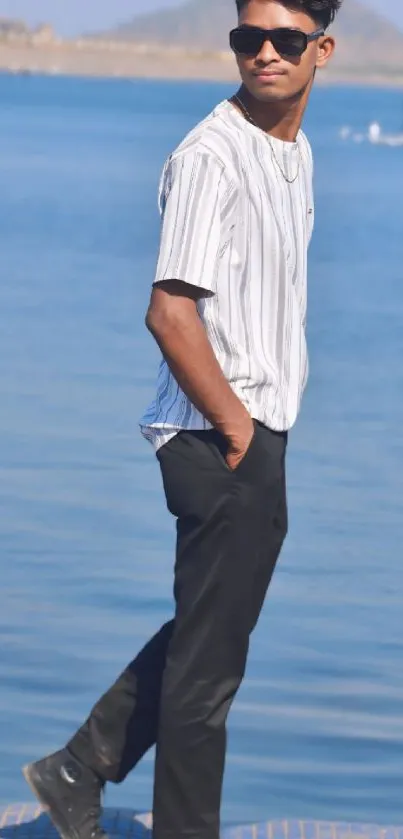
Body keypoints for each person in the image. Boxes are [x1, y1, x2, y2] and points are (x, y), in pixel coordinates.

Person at [23, 1, 341, 838]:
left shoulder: (292, 151)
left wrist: (256, 426)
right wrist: (235, 426)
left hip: (255, 427)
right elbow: (170, 313)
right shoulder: (210, 158)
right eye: (248, 38)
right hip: (216, 433)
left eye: (285, 39)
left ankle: (77, 765)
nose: (265, 53)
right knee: (208, 680)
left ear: (323, 50)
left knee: (212, 631)